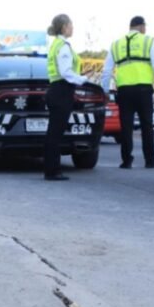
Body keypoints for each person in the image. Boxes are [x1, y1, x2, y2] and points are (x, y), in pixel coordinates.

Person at [102, 16, 154, 169]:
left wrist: (105, 90)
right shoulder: (148, 41)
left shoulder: (116, 44)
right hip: (144, 90)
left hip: (124, 91)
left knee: (126, 127)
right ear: (141, 26)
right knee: (147, 125)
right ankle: (150, 160)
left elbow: (106, 70)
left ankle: (126, 161)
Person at [44, 14, 87, 181]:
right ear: (64, 27)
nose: (73, 28)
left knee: (53, 132)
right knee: (56, 133)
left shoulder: (56, 44)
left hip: (56, 90)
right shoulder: (63, 46)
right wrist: (83, 79)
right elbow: (66, 72)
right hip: (62, 91)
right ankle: (53, 171)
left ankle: (51, 169)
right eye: (71, 25)